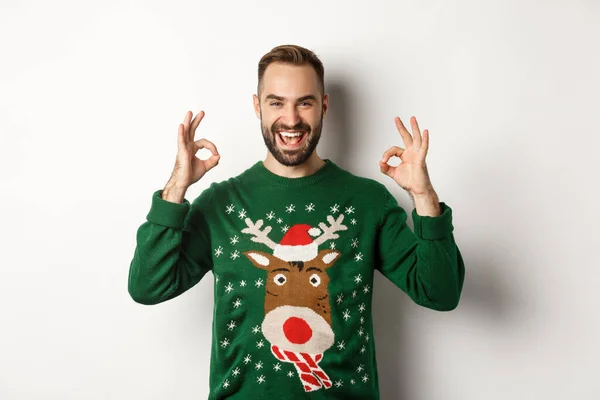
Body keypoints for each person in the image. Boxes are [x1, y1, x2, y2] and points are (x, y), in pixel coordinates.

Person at [128, 44, 465, 399]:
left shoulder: (368, 201)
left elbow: (440, 293)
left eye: (304, 102)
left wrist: (424, 197)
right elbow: (148, 287)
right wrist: (176, 187)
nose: (291, 119)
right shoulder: (220, 204)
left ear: (324, 106)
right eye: (276, 102)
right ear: (258, 107)